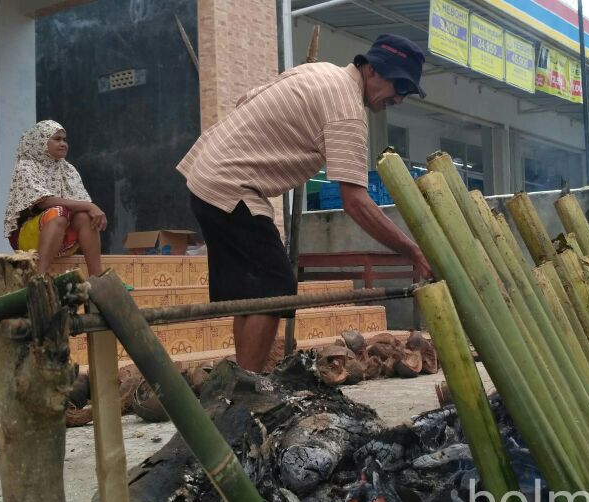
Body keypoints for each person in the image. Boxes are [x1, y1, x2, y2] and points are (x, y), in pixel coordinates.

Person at [177, 33, 432, 372]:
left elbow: (247, 99)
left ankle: (242, 381)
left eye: (406, 93)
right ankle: (247, 388)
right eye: (399, 87)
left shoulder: (320, 73)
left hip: (208, 173)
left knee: (254, 295)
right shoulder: (346, 108)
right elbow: (355, 202)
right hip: (229, 184)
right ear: (371, 70)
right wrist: (412, 251)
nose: (399, 99)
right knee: (276, 288)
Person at [4, 120, 106, 276]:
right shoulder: (26, 166)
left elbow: (81, 205)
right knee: (59, 212)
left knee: (85, 217)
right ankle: (40, 277)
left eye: (64, 140)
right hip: (27, 240)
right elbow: (44, 201)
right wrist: (90, 206)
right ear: (40, 141)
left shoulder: (68, 169)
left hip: (63, 238)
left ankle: (97, 278)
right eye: (57, 139)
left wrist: (88, 208)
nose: (63, 143)